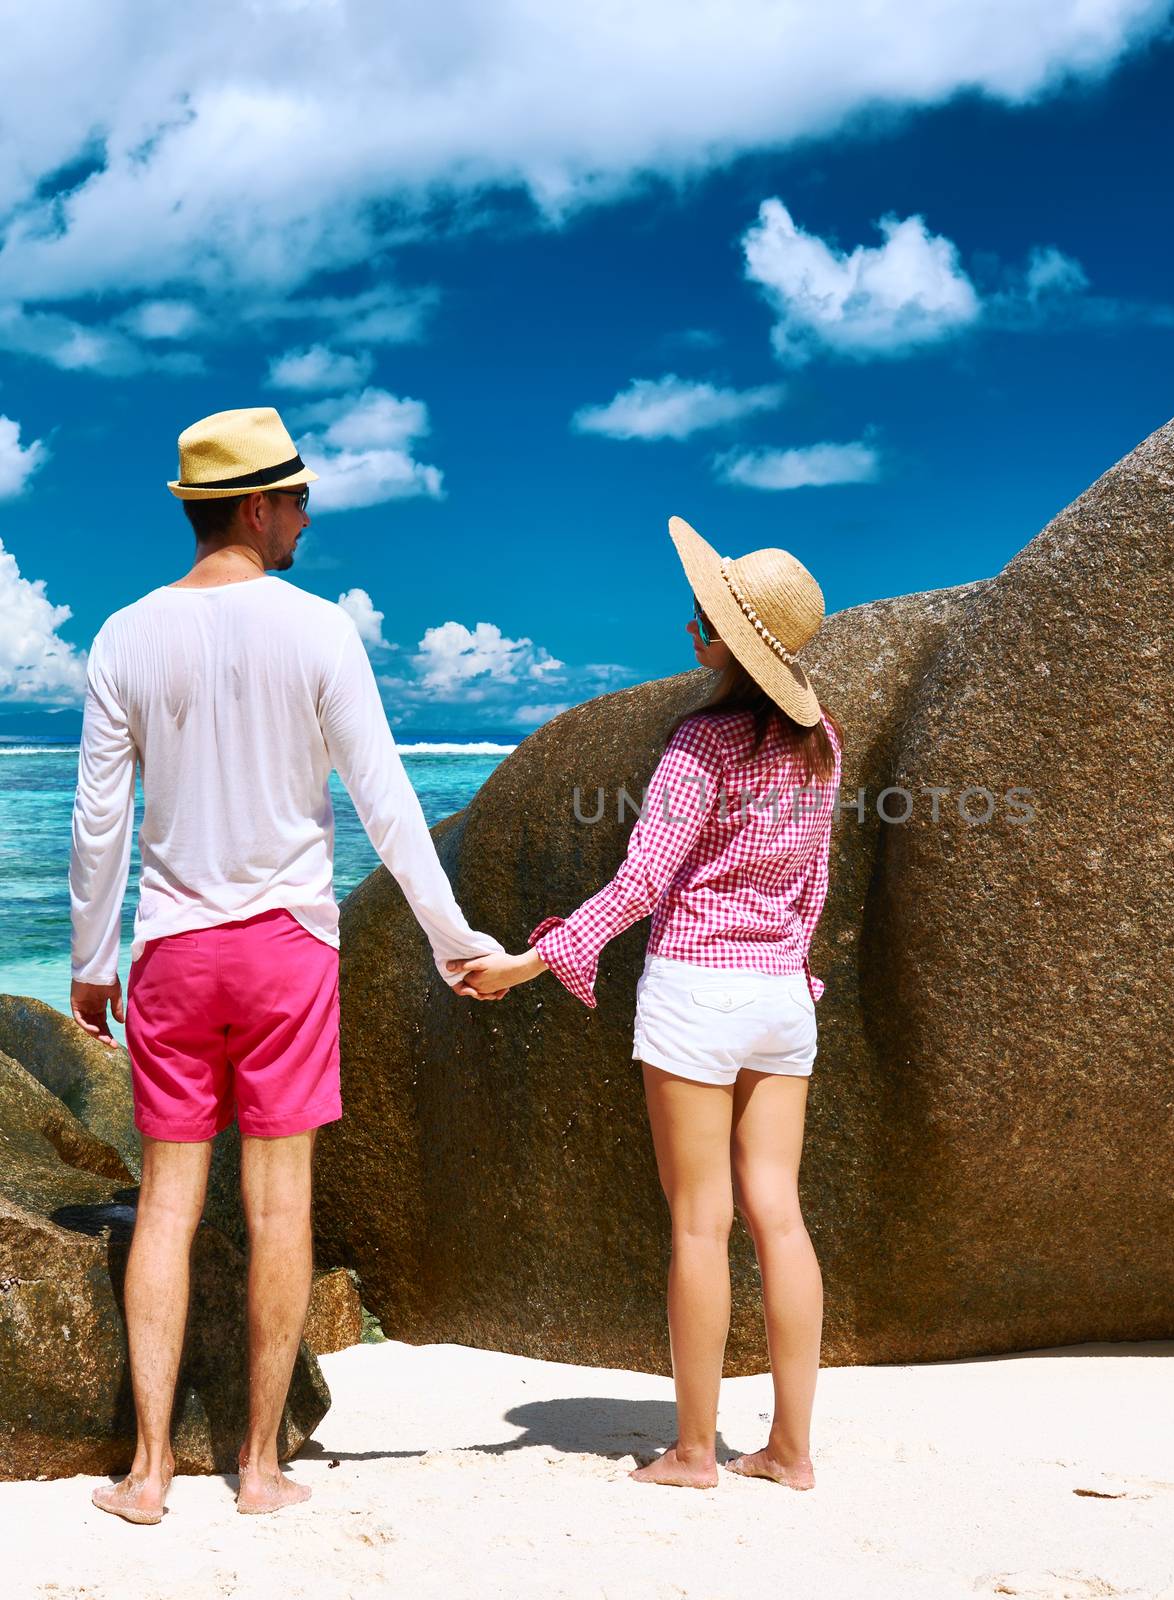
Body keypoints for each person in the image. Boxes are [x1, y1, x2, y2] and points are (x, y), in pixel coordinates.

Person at [68, 406, 507, 1525]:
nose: (309, 517)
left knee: (166, 1207)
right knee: (279, 1210)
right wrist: (454, 940)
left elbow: (98, 821)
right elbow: (387, 804)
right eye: (301, 499)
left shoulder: (123, 635)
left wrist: (88, 960)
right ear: (259, 505)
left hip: (172, 950)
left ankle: (150, 1470)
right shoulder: (318, 630)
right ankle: (259, 1467)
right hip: (287, 954)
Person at [451, 515, 841, 1492]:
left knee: (700, 1223)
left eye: (701, 619)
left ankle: (696, 1450)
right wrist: (791, 976)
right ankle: (790, 1449)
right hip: (780, 998)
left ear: (727, 642)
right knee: (780, 1219)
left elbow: (638, 885)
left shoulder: (699, 745)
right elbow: (813, 884)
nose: (689, 631)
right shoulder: (821, 745)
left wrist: (529, 962)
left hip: (698, 997)